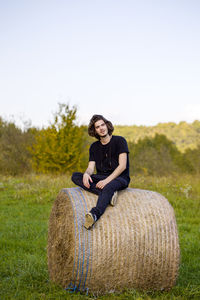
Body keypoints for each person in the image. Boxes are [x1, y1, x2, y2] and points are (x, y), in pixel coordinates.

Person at [71, 114, 130, 229]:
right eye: (97, 127)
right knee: (76, 176)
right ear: (95, 131)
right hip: (101, 176)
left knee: (108, 186)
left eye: (102, 125)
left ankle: (94, 214)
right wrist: (86, 174)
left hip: (120, 178)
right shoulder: (94, 147)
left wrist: (107, 181)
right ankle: (109, 195)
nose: (101, 128)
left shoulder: (120, 141)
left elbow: (122, 166)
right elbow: (90, 167)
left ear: (107, 125)